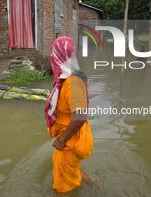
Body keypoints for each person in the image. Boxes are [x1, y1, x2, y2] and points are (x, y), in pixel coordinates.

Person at [45, 36, 93, 194]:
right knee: (68, 170)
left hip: (69, 142)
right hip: (68, 140)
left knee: (63, 189)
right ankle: (87, 179)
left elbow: (80, 116)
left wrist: (61, 140)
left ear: (58, 56)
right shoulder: (66, 81)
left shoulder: (72, 82)